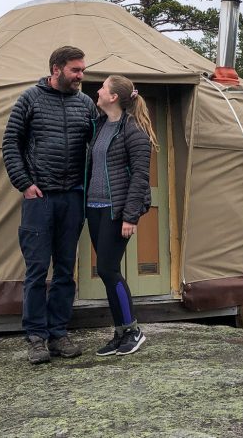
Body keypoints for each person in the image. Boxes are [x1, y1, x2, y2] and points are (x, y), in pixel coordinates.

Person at [2, 46, 97, 365]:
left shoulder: (85, 104)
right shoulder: (30, 99)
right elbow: (10, 142)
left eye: (82, 69)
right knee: (37, 268)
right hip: (39, 198)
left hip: (72, 197)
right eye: (75, 70)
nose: (81, 76)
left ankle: (58, 333)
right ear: (56, 69)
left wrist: (127, 103)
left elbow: (100, 142)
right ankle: (36, 338)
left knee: (65, 271)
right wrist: (24, 184)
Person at [86, 75, 157, 356]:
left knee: (107, 269)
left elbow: (141, 177)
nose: (98, 91)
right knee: (106, 272)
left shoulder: (134, 130)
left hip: (117, 212)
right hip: (94, 208)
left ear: (113, 97)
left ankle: (132, 330)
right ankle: (119, 333)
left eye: (102, 87)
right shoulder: (100, 125)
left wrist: (131, 217)